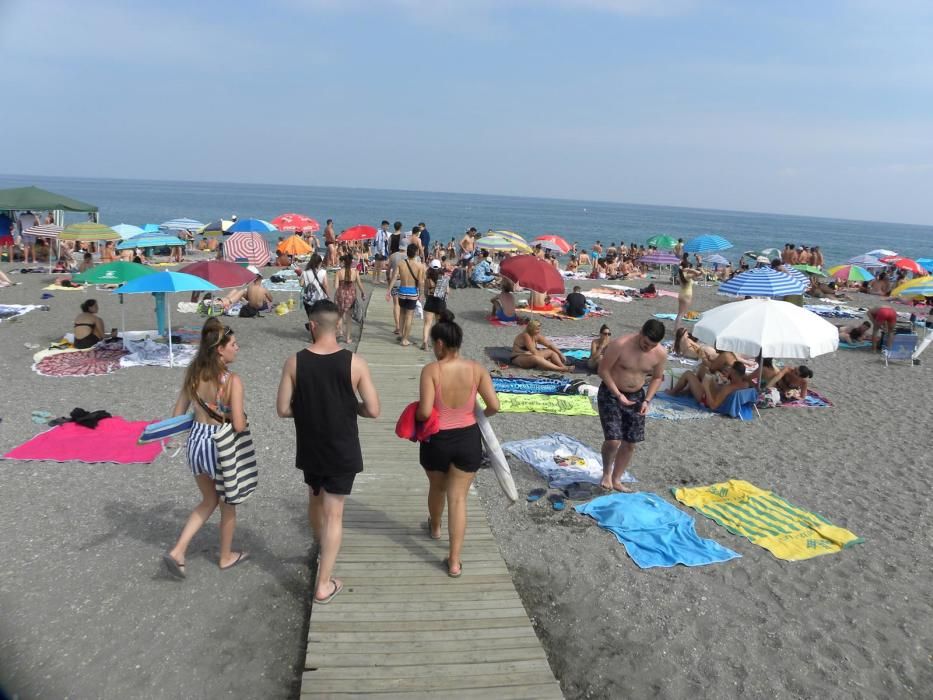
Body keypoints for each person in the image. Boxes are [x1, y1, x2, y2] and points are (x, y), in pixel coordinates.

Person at [276, 300, 380, 604]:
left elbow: (283, 409)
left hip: (310, 446)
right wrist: (353, 407)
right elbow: (373, 410)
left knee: (315, 497)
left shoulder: (294, 362)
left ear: (312, 326)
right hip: (341, 448)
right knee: (335, 514)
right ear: (339, 326)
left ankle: (322, 547)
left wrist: (309, 408)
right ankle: (323, 584)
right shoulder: (355, 363)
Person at [162, 320, 248, 579]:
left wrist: (175, 440)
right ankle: (225, 556)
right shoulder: (232, 381)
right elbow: (240, 425)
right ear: (220, 350)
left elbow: (178, 410)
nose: (238, 348)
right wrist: (237, 415)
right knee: (227, 503)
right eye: (233, 344)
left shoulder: (194, 373)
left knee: (209, 499)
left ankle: (178, 551)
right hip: (219, 445)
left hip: (196, 441)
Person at [416, 310, 499, 577]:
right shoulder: (476, 369)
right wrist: (475, 417)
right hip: (467, 438)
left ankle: (436, 527)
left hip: (438, 439)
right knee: (458, 499)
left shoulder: (432, 371)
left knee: (437, 488)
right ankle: (454, 562)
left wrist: (414, 416)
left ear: (440, 343)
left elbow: (426, 412)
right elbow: (494, 406)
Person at [596, 319, 667, 492]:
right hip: (611, 392)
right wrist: (618, 395)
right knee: (613, 439)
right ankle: (606, 473)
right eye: (645, 343)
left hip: (637, 396)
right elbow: (603, 370)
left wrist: (647, 400)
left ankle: (617, 478)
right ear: (640, 332)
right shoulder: (620, 345)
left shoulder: (660, 353)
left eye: (652, 345)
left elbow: (658, 377)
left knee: (630, 442)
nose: (647, 348)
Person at [386, 243, 425, 347]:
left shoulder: (401, 263)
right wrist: (421, 295)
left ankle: (401, 335)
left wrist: (388, 291)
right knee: (409, 316)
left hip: (402, 291)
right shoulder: (420, 266)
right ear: (416, 253)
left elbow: (394, 277)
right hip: (412, 293)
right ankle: (405, 339)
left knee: (402, 314)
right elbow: (421, 282)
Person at [668, 361, 750, 409]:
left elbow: (713, 406)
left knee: (688, 374)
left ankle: (673, 392)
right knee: (703, 369)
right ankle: (688, 390)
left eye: (731, 372)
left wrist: (706, 387)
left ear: (735, 373)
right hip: (715, 392)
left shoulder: (728, 388)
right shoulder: (745, 384)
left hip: (705, 399)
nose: (729, 373)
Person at [334, 253, 365, 342]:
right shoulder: (355, 272)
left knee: (339, 315)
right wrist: (363, 293)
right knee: (349, 318)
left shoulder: (339, 272)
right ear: (351, 262)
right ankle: (348, 338)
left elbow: (336, 286)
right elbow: (359, 284)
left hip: (340, 295)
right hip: (351, 296)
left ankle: (339, 331)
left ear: (344, 262)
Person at [421, 259, 449, 350]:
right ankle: (438, 343)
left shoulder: (428, 278)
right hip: (440, 302)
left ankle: (425, 343)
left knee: (427, 324)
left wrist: (428, 296)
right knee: (439, 324)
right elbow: (447, 291)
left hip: (430, 301)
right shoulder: (443, 277)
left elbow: (425, 292)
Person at [674, 261, 704, 335]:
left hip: (681, 294)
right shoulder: (687, 275)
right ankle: (676, 331)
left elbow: (698, 276)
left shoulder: (680, 274)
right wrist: (690, 269)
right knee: (681, 314)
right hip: (686, 295)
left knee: (679, 314)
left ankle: (676, 329)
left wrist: (687, 269)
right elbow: (699, 273)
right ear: (686, 267)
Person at [300, 254, 329, 319]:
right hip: (320, 298)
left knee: (311, 317)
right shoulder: (323, 272)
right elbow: (325, 285)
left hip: (308, 299)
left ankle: (312, 328)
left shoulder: (305, 272)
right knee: (319, 317)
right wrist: (327, 295)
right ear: (320, 262)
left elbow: (301, 284)